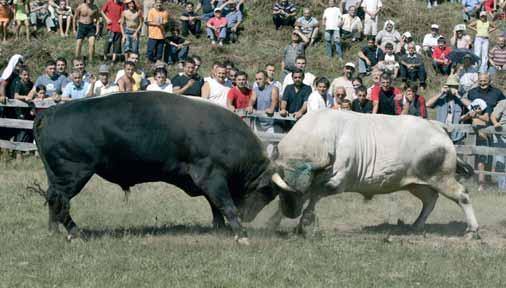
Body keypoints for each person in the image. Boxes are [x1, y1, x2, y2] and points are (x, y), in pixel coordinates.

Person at [251, 70, 280, 157]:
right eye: (256, 79)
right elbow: (252, 99)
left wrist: (271, 108)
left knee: (270, 147)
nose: (257, 81)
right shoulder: (255, 90)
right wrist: (250, 106)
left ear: (266, 79)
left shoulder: (274, 88)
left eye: (260, 79)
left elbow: (275, 100)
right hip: (258, 123)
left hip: (270, 123)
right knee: (258, 146)